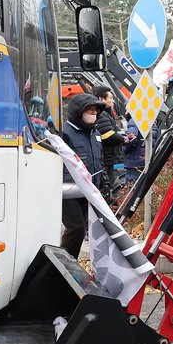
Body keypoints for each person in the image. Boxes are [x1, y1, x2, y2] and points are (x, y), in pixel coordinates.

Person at [59, 92, 105, 257]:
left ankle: (69, 260)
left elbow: (99, 160)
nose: (93, 114)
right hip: (68, 190)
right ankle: (63, 264)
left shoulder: (95, 134)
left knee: (81, 229)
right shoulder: (65, 133)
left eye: (95, 111)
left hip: (88, 190)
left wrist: (104, 182)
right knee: (76, 228)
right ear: (79, 111)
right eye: (89, 110)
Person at [92, 85, 128, 198]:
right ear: (101, 99)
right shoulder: (102, 114)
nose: (113, 101)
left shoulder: (106, 113)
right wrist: (124, 139)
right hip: (107, 158)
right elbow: (108, 134)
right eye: (110, 98)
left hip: (109, 157)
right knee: (110, 188)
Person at [124, 112, 146, 184]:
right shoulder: (152, 122)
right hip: (145, 162)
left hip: (134, 164)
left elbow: (130, 140)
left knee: (132, 188)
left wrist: (123, 149)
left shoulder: (133, 121)